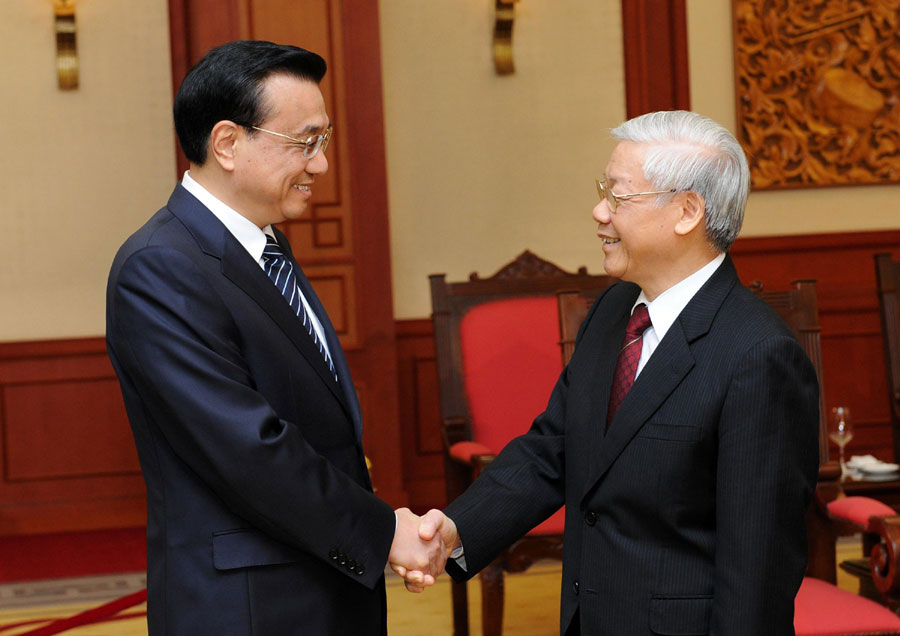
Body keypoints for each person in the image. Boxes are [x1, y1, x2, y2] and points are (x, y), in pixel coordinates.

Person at [401, 110, 820, 635]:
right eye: (604, 192)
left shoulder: (760, 355)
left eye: (618, 196)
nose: (599, 211)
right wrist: (455, 532)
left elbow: (757, 574)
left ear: (687, 211)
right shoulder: (612, 311)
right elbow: (554, 448)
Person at [106, 40, 442, 636]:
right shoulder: (161, 266)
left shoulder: (264, 246)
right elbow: (248, 448)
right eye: (304, 143)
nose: (321, 164)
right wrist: (382, 531)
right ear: (227, 143)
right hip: (248, 606)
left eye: (323, 140)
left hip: (314, 583)